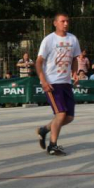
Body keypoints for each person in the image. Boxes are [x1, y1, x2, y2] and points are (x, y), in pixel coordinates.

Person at [35, 13, 81, 156]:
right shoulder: (49, 40)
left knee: (69, 117)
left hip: (66, 82)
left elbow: (74, 58)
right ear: (55, 23)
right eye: (62, 21)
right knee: (60, 114)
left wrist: (74, 72)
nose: (65, 23)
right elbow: (38, 62)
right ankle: (52, 146)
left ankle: (44, 130)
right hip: (52, 82)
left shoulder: (73, 39)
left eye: (67, 21)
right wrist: (43, 81)